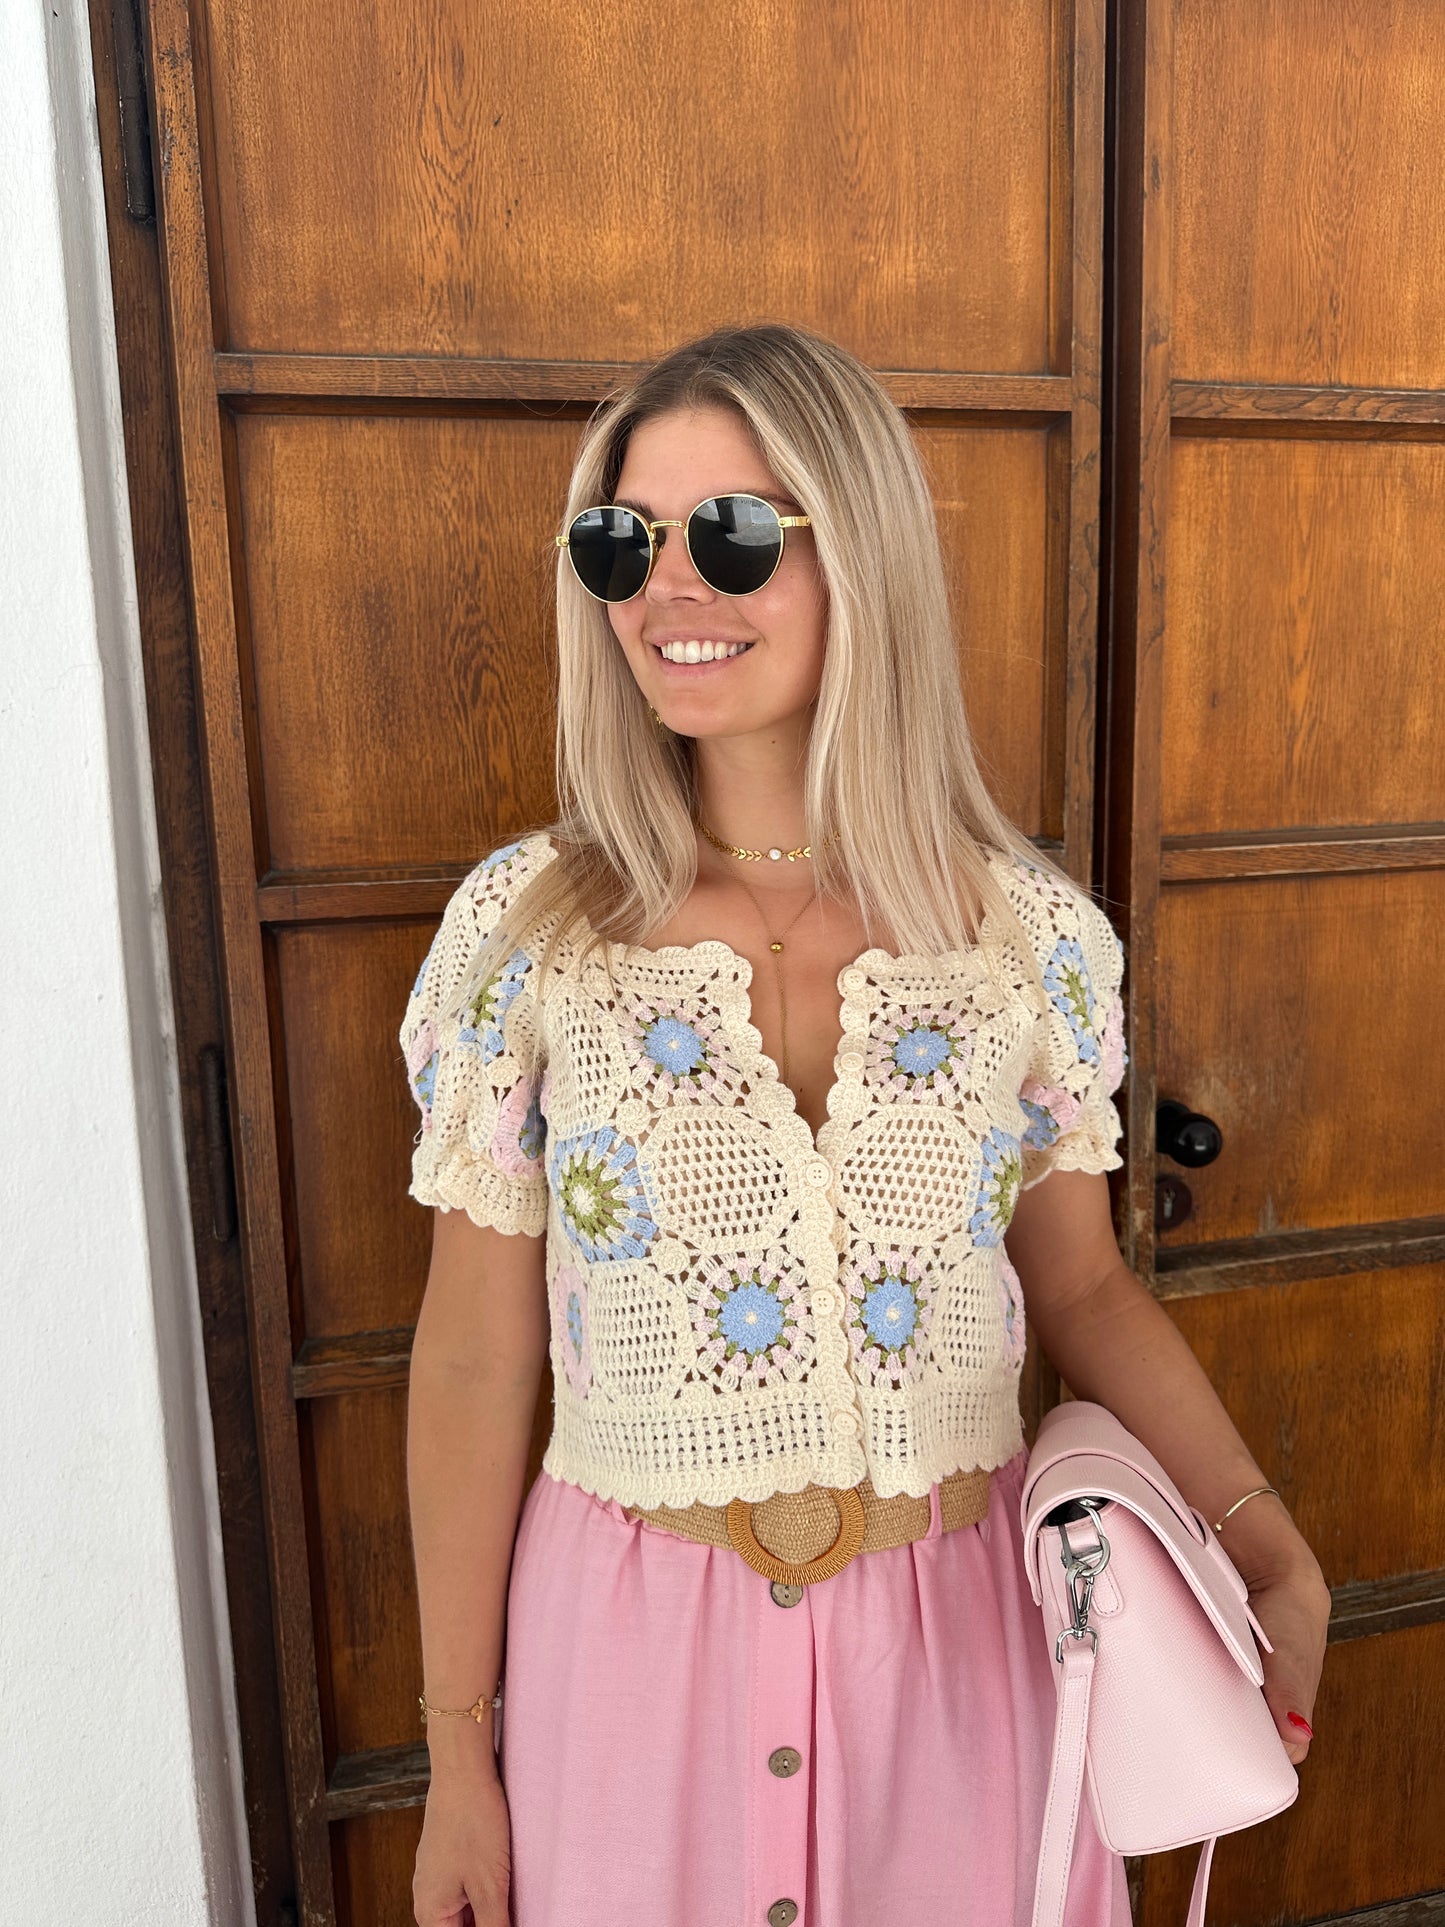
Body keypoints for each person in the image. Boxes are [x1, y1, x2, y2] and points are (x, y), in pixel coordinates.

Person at [400, 322, 1330, 1927]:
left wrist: (1263, 1541)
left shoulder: (1025, 939)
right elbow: (476, 1356)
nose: (665, 589)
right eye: (620, 541)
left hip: (962, 1666)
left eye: (731, 534)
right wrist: (453, 1757)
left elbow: (1082, 1287)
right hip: (626, 1678)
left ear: (864, 553)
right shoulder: (526, 935)